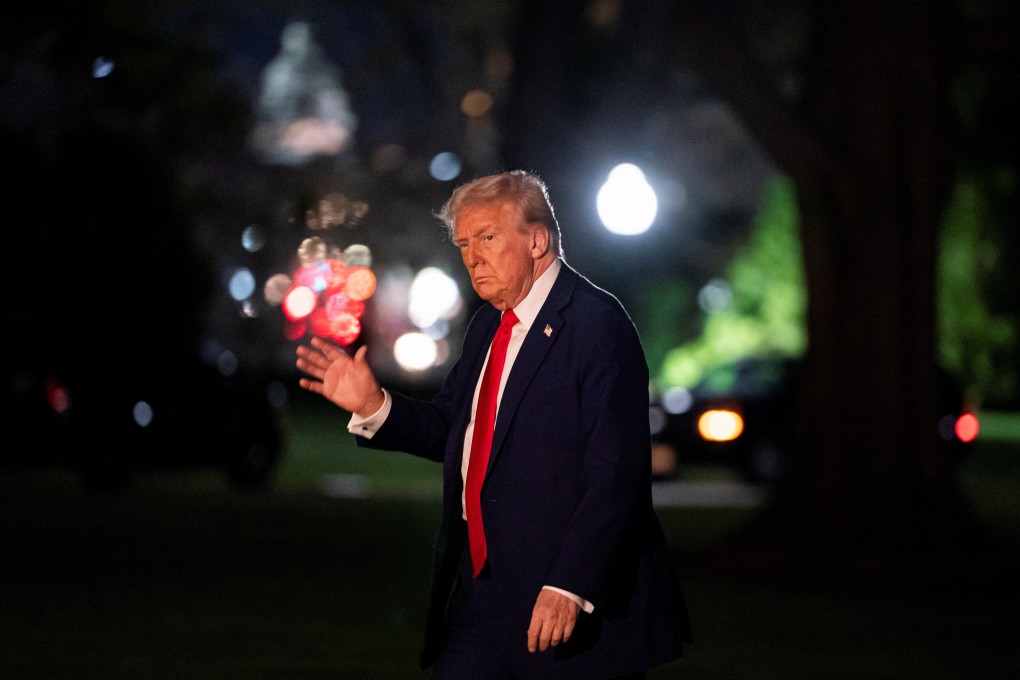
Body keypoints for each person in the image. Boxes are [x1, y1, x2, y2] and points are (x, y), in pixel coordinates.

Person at [295, 170, 692, 679]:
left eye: (486, 237)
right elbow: (459, 431)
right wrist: (375, 404)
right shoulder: (488, 324)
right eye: (464, 243)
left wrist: (569, 585)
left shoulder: (597, 324)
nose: (472, 258)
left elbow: (614, 474)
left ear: (537, 241)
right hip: (481, 597)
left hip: (567, 604)